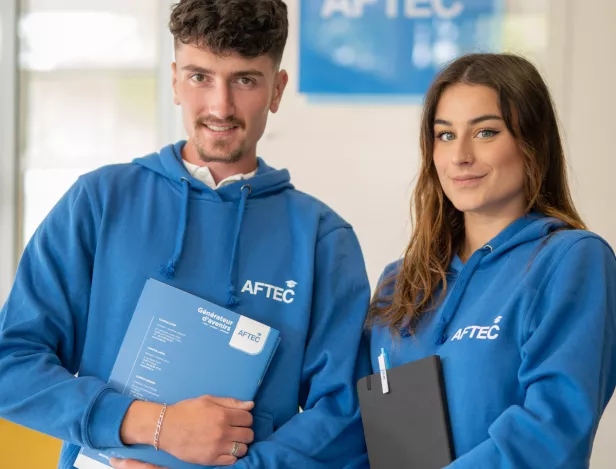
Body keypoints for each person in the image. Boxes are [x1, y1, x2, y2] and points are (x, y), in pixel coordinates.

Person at [0, 1, 371, 468]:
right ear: (175, 80)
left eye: (245, 80)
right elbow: (10, 364)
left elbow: (343, 418)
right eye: (201, 77)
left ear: (276, 90)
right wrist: (151, 423)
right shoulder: (98, 202)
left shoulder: (322, 239)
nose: (220, 106)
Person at [367, 53, 616, 468]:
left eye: (485, 132)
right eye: (445, 135)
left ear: (532, 142)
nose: (460, 156)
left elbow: (551, 429)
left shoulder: (572, 261)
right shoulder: (400, 281)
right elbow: (370, 433)